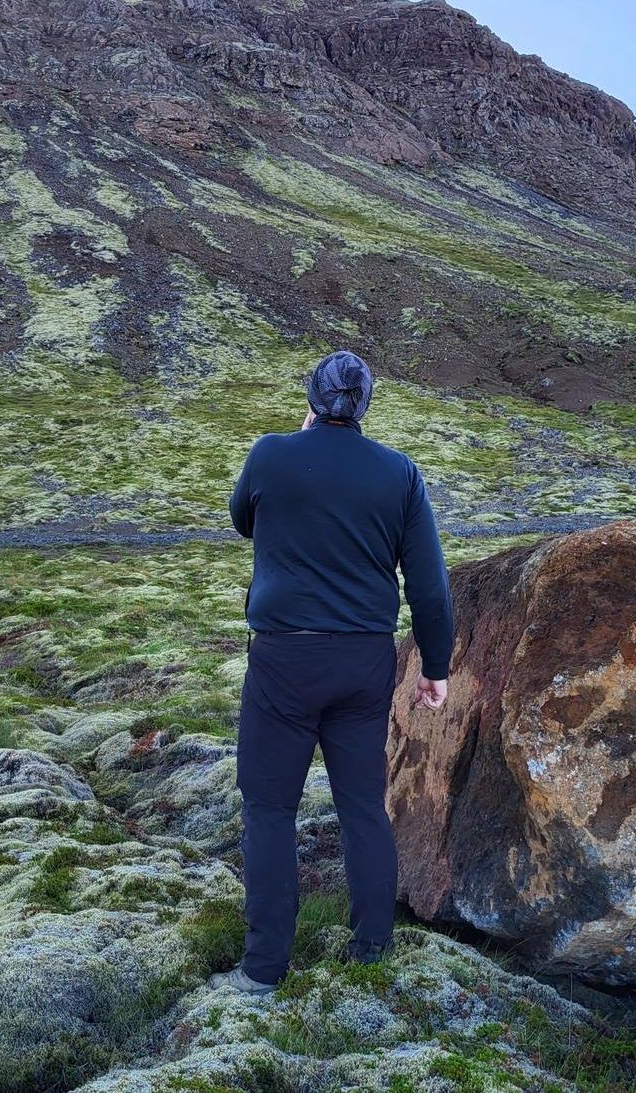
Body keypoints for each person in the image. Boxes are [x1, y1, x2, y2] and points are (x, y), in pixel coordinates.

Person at [212, 349, 454, 996]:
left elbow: (242, 519)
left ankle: (264, 969)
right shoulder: (400, 474)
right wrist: (436, 666)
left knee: (268, 809)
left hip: (282, 663)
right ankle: (372, 950)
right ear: (366, 404)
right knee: (362, 809)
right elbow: (429, 589)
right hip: (363, 663)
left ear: (312, 398)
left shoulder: (270, 454)